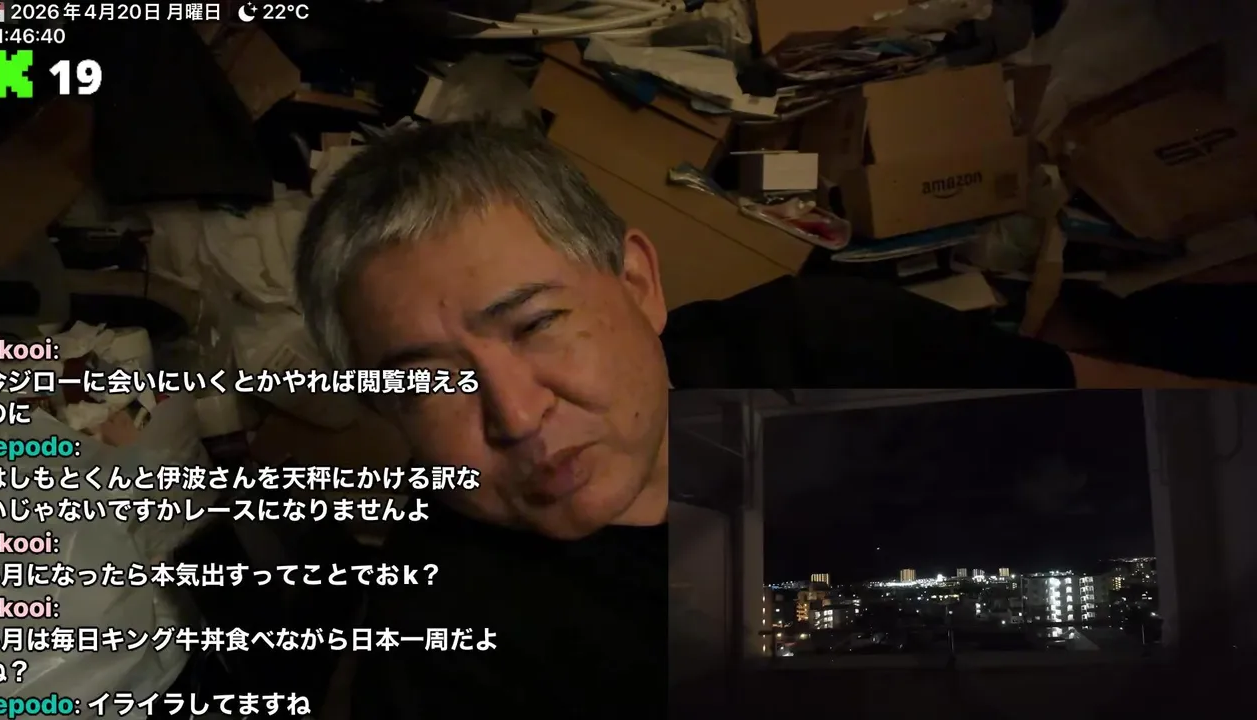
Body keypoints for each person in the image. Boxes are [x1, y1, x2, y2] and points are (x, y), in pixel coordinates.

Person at [293, 121, 1228, 717]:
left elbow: (1158, 419)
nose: (515, 414)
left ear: (638, 283)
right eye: (429, 382)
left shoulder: (820, 346)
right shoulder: (444, 653)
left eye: (538, 323)